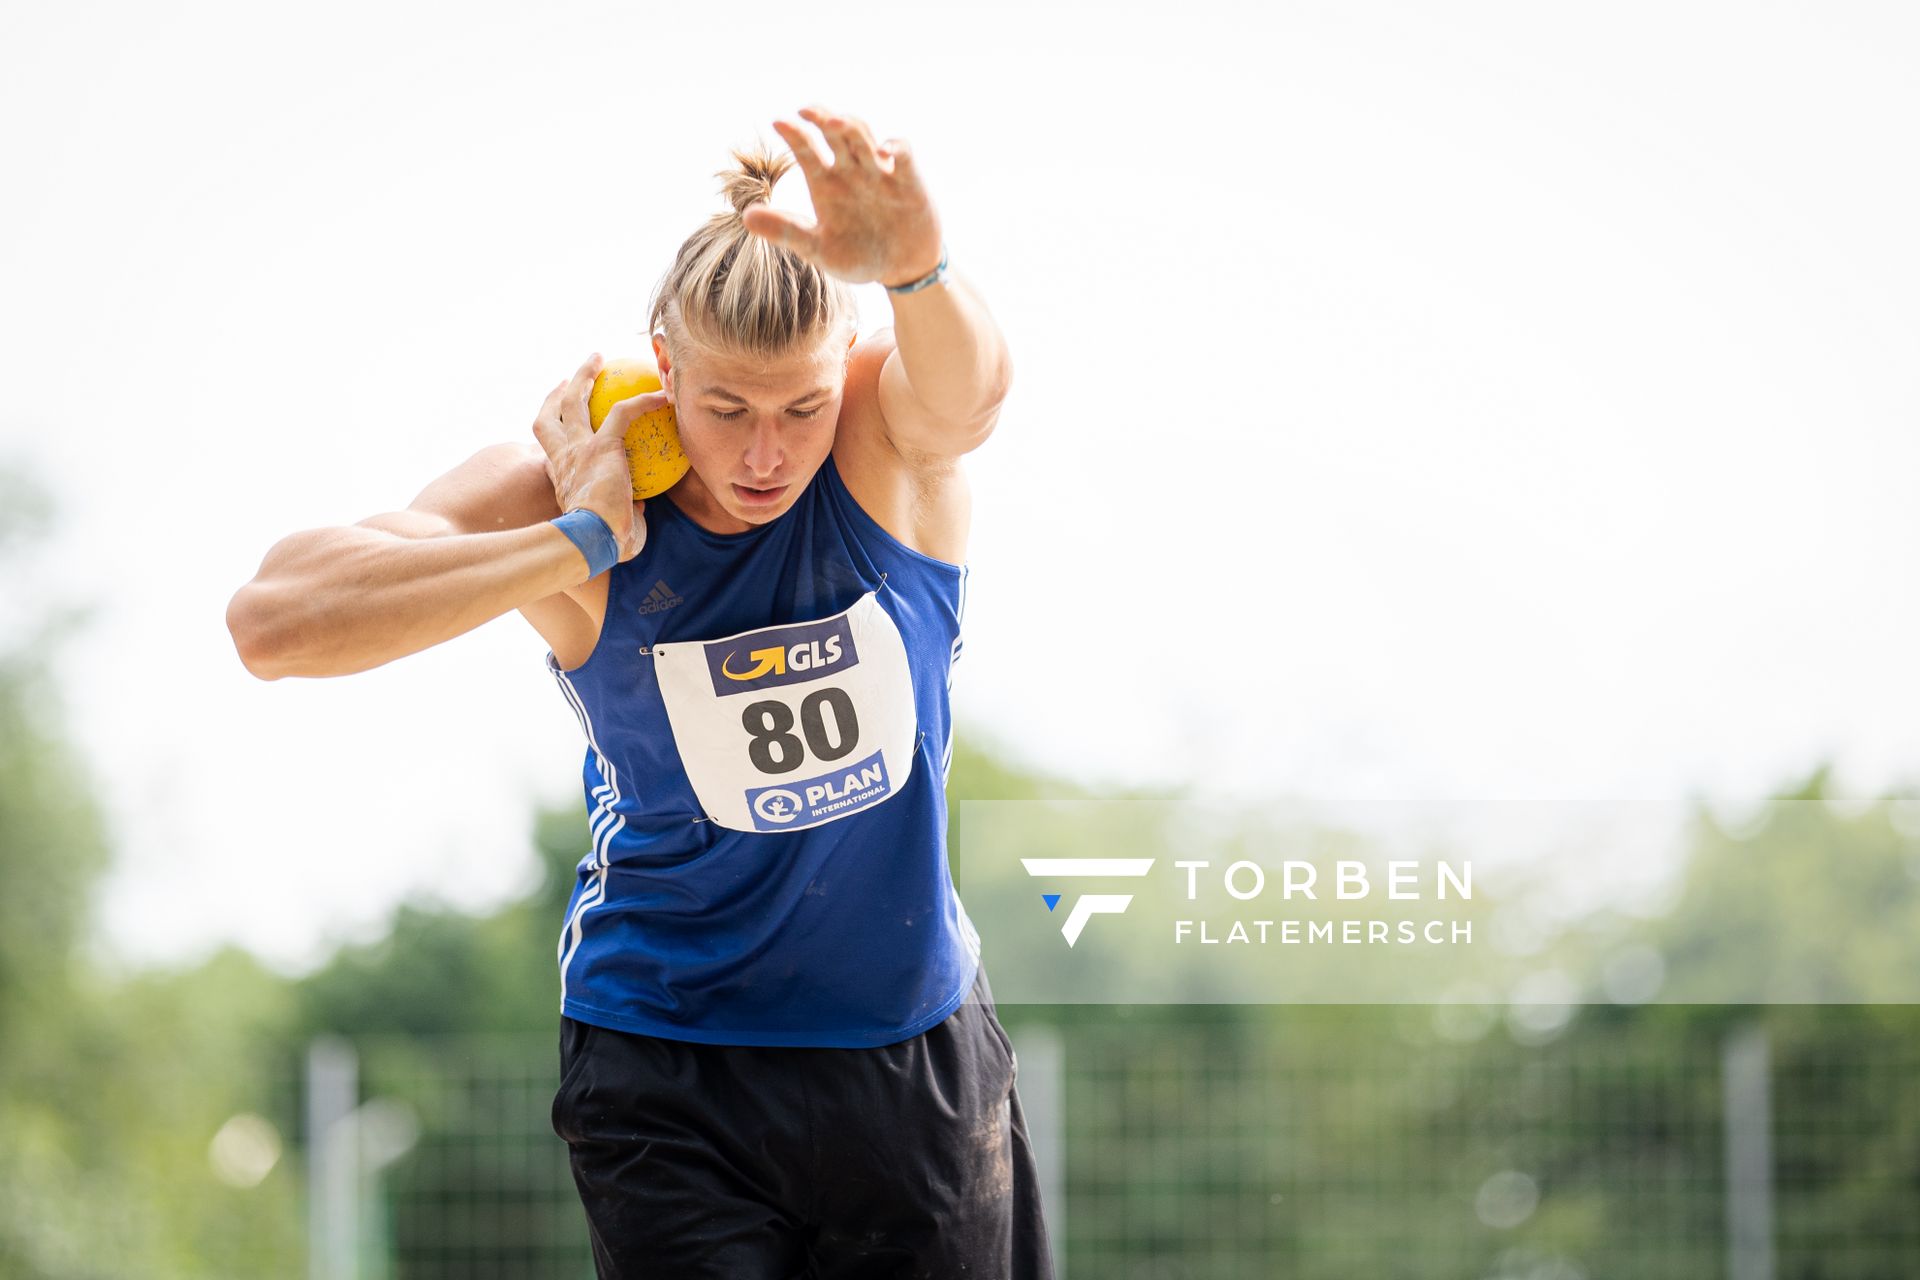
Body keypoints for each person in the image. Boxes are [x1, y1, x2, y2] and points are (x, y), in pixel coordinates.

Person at [225, 104, 1053, 1278]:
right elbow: (276, 622)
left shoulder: (883, 438)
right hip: (665, 1063)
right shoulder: (563, 487)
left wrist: (918, 269)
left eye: (800, 409)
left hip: (908, 1048)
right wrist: (577, 541)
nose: (765, 455)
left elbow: (972, 395)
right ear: (663, 369)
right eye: (726, 409)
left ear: (845, 371)